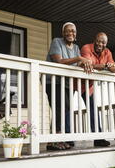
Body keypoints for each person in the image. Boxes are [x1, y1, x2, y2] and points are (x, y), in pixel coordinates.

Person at [45, 22, 92, 150]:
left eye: (73, 31)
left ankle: (53, 140)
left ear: (76, 34)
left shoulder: (76, 48)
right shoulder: (57, 42)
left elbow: (77, 65)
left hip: (67, 83)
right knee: (61, 107)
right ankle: (56, 139)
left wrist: (87, 63)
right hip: (53, 81)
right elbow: (59, 61)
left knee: (63, 109)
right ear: (63, 33)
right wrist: (79, 58)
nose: (71, 33)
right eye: (68, 31)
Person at [80, 32, 115, 147]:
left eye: (103, 42)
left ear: (106, 44)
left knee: (93, 109)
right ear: (95, 40)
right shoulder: (86, 48)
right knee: (66, 108)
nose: (100, 44)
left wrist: (114, 68)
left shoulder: (107, 52)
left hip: (88, 85)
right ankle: (66, 140)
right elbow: (89, 65)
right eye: (98, 41)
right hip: (74, 82)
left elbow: (113, 67)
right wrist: (107, 66)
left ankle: (98, 139)